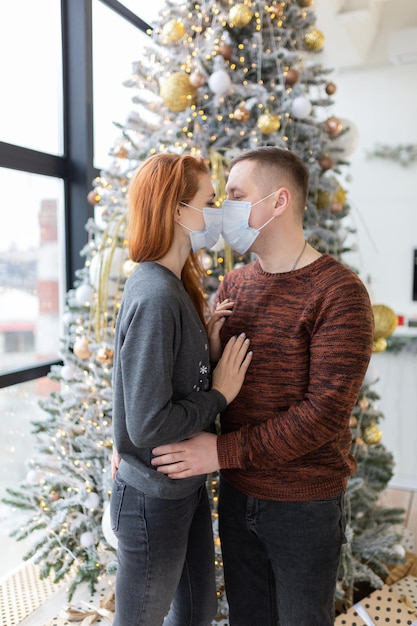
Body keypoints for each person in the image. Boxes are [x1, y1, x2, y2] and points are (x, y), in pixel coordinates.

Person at [151, 146, 375, 626]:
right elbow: (219, 390)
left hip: (303, 506)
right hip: (237, 497)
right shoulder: (233, 285)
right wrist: (208, 356)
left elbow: (323, 415)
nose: (221, 210)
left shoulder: (339, 292)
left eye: (235, 195)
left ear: (278, 202)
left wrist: (220, 453)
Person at [110, 152, 253, 626]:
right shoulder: (155, 294)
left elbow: (165, 381)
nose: (216, 214)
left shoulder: (173, 286)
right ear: (177, 211)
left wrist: (206, 349)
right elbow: (149, 423)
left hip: (182, 490)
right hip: (153, 499)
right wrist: (220, 394)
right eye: (209, 202)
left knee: (196, 613)